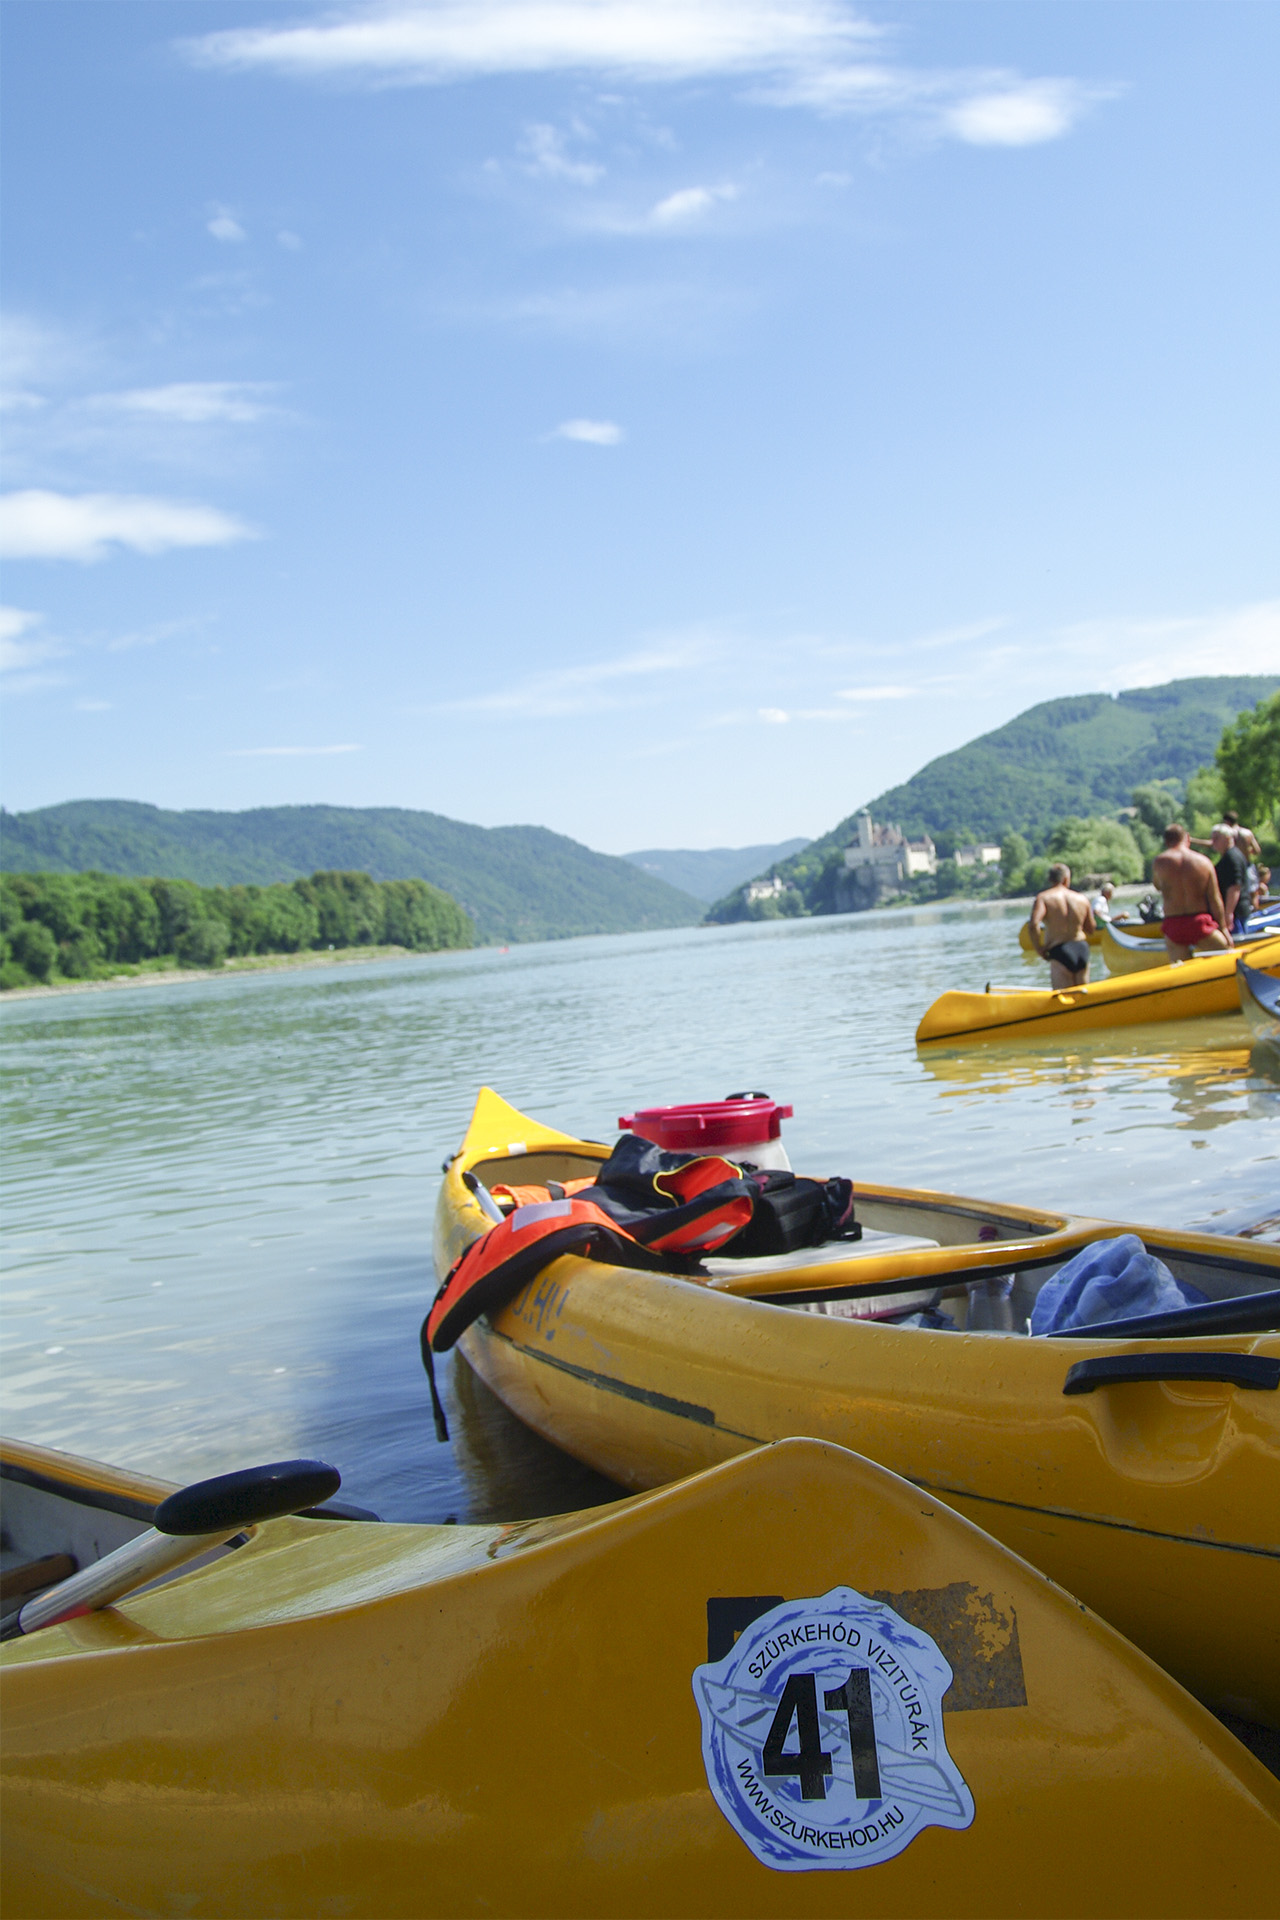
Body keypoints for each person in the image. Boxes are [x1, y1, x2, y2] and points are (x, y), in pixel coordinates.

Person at [1152, 824, 1230, 960]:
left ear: (1166, 842)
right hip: (1199, 921)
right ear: (1187, 838)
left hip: (1173, 924)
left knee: (1180, 969)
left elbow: (1158, 886)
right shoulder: (1204, 862)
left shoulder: (1160, 862)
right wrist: (1223, 929)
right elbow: (1215, 899)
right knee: (1225, 956)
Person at [1030, 864, 1096, 987]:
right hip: (1081, 948)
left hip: (1059, 950)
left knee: (1064, 998)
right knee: (1084, 998)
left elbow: (1034, 925)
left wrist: (1039, 948)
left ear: (1050, 879)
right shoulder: (1081, 898)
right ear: (1066, 879)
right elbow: (1091, 928)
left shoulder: (1044, 898)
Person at [1212, 824, 1249, 939]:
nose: (1213, 842)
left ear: (1228, 838)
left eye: (1217, 838)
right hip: (1236, 911)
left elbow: (1234, 887)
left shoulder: (1232, 857)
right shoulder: (1231, 855)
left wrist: (1228, 913)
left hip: (1236, 913)